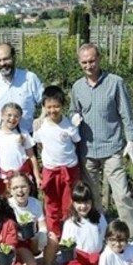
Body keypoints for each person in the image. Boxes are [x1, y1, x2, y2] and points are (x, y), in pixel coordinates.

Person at [70, 43, 133, 242]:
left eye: (92, 61)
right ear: (79, 63)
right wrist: (74, 116)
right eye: (84, 62)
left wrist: (131, 140)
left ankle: (132, 237)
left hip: (112, 148)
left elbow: (126, 114)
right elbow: (72, 110)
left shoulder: (115, 82)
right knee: (92, 198)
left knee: (122, 194)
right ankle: (100, 234)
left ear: (99, 59)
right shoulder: (77, 87)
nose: (88, 65)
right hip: (87, 149)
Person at [33, 85, 81, 240]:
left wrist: (75, 126)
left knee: (68, 204)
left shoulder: (69, 125)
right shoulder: (41, 126)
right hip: (50, 170)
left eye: (57, 106)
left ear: (63, 106)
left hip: (69, 169)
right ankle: (54, 235)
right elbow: (38, 143)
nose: (53, 110)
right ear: (44, 107)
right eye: (49, 107)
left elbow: (77, 141)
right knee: (51, 204)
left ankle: (69, 236)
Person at [61, 182, 113, 265]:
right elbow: (66, 249)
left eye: (86, 202)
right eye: (79, 202)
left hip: (97, 259)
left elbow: (106, 238)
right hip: (78, 262)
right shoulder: (70, 223)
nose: (83, 206)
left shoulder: (99, 218)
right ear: (73, 203)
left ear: (91, 202)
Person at [6, 173, 58, 265]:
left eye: (23, 186)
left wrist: (42, 234)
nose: (20, 190)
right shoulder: (7, 205)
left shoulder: (35, 203)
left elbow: (42, 224)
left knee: (52, 237)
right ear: (10, 190)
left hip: (32, 239)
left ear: (29, 187)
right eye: (15, 188)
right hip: (16, 243)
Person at [0, 43, 43, 133]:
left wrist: (41, 119)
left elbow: (45, 101)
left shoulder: (29, 78)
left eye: (6, 59)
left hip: (28, 136)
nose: (2, 63)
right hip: (2, 138)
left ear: (14, 58)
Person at [0, 103, 41, 195]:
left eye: (16, 116)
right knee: (4, 204)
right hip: (2, 177)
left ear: (20, 118)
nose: (12, 118)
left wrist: (37, 176)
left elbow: (32, 157)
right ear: (2, 115)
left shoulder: (24, 133)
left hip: (22, 178)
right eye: (9, 115)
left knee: (22, 203)